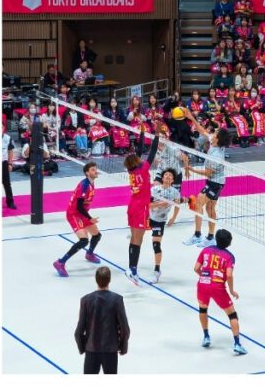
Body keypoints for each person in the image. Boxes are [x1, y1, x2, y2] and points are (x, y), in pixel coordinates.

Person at [194, 227, 247, 354]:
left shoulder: (206, 250)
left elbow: (196, 268)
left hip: (203, 285)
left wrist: (205, 276)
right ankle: (237, 344)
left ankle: (206, 337)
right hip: (218, 287)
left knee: (203, 309)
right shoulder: (229, 256)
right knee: (232, 314)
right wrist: (232, 291)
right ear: (229, 243)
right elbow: (229, 275)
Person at [183, 115, 229, 247]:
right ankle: (210, 238)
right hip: (216, 181)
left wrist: (191, 169)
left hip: (215, 183)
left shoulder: (217, 156)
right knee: (210, 208)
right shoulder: (214, 142)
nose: (213, 132)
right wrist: (191, 117)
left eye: (216, 132)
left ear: (217, 138)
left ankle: (198, 235)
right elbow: (202, 130)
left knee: (198, 204)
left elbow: (208, 172)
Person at [74, 265, 130, 374]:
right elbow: (125, 329)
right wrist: (123, 347)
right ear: (109, 280)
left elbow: (78, 332)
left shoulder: (86, 300)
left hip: (91, 349)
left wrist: (83, 348)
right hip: (110, 350)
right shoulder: (117, 300)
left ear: (96, 280)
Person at [54, 161, 102, 276]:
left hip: (82, 213)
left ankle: (89, 254)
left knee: (97, 235)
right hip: (74, 213)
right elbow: (79, 206)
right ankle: (60, 262)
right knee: (84, 240)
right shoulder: (84, 185)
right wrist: (89, 218)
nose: (96, 171)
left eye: (96, 169)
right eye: (93, 170)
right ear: (87, 173)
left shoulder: (91, 183)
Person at [123, 133, 160, 285]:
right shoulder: (143, 169)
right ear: (137, 162)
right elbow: (152, 152)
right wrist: (156, 135)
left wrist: (143, 134)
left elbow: (139, 152)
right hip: (140, 208)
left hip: (132, 206)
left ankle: (132, 270)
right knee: (138, 240)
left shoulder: (131, 171)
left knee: (134, 238)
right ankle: (132, 270)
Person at [149, 168, 182, 282]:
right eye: (166, 175)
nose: (168, 176)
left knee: (156, 245)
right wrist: (160, 204)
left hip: (160, 220)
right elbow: (147, 205)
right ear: (162, 178)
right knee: (135, 237)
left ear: (172, 180)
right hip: (148, 217)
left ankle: (157, 270)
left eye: (170, 176)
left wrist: (173, 218)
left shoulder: (175, 192)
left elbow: (178, 205)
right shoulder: (154, 189)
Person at [2, 124, 17, 209]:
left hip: (3, 162)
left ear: (3, 128)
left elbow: (10, 151)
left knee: (7, 183)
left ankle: (10, 201)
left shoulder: (7, 138)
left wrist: (10, 164)